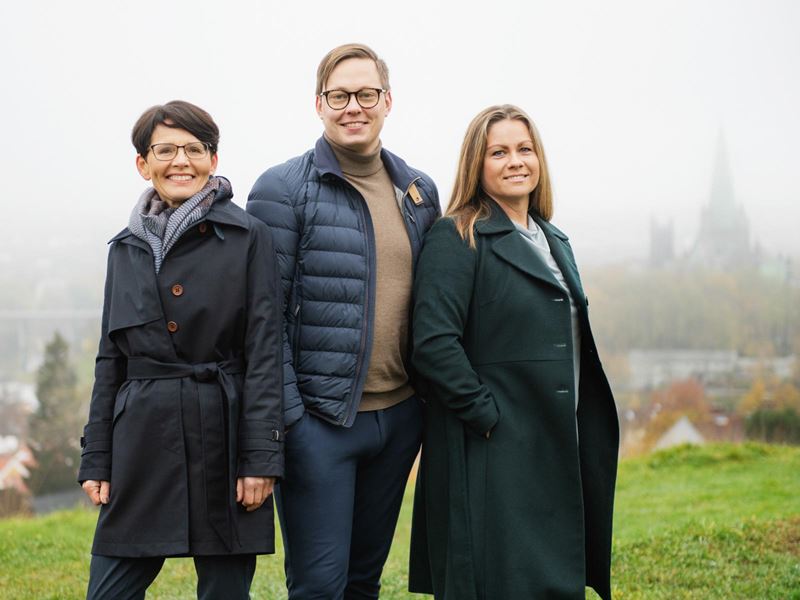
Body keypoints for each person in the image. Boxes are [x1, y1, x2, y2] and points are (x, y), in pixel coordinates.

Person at [246, 43, 440, 599]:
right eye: (339, 96)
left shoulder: (418, 191)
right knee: (319, 587)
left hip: (398, 420)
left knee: (363, 583)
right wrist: (295, 424)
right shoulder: (282, 190)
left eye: (366, 94)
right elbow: (262, 321)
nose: (353, 106)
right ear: (319, 104)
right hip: (321, 426)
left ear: (387, 101)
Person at [408, 104, 619, 600]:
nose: (515, 161)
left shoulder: (554, 239)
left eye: (525, 149)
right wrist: (488, 417)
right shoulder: (457, 236)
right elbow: (433, 343)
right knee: (500, 581)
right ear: (476, 164)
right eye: (498, 152)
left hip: (556, 436)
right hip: (493, 447)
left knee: (553, 578)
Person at [78, 100, 284, 600]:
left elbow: (264, 352)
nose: (181, 162)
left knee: (224, 592)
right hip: (141, 441)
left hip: (224, 435)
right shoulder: (124, 247)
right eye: (165, 150)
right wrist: (97, 456)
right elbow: (110, 359)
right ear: (143, 163)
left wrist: (260, 458)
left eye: (194, 149)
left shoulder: (248, 236)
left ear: (213, 159)